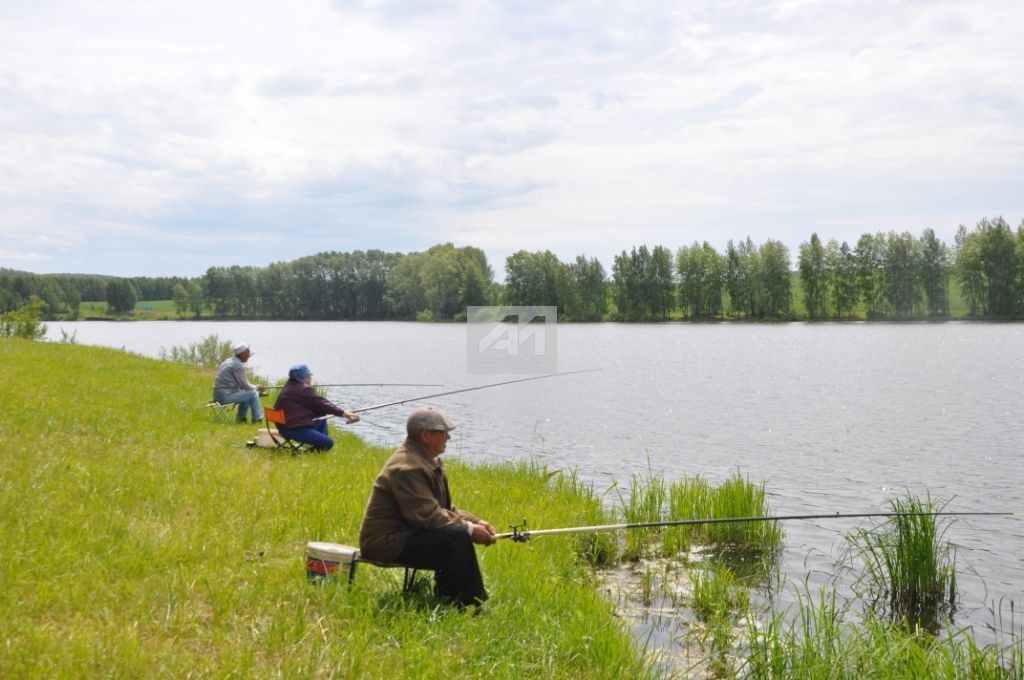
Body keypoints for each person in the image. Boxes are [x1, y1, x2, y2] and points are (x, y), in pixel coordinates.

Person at [359, 407, 496, 608]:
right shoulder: (407, 467)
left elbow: (444, 509)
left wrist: (476, 522)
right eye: (443, 432)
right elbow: (427, 516)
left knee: (457, 533)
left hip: (405, 535)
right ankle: (463, 604)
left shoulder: (424, 461)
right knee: (456, 536)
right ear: (425, 435)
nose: (448, 437)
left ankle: (464, 600)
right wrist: (469, 529)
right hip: (385, 543)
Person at [273, 364, 360, 451]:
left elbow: (319, 405)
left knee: (321, 416)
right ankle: (320, 447)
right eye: (309, 376)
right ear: (304, 377)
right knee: (328, 443)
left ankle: (318, 446)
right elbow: (322, 404)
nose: (310, 378)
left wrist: (341, 412)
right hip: (293, 429)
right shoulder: (303, 389)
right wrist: (344, 413)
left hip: (286, 426)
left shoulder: (289, 386)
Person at [212, 342, 265, 423]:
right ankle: (257, 419)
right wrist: (258, 387)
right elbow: (247, 386)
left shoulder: (228, 361)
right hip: (224, 397)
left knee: (247, 393)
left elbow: (242, 386)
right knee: (253, 393)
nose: (249, 355)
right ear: (242, 354)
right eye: (248, 353)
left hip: (218, 395)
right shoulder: (238, 365)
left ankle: (241, 419)